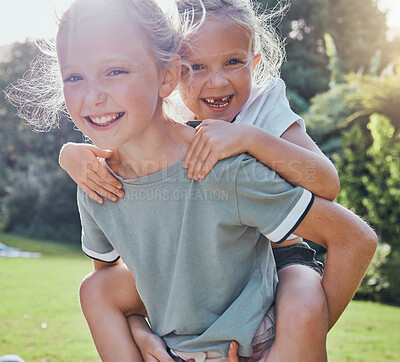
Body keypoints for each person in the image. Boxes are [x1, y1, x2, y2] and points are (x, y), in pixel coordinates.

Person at [7, 0, 377, 361]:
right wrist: (136, 328)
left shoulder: (244, 139)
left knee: (303, 301)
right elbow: (108, 281)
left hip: (279, 260)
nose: (94, 94)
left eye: (114, 71)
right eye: (74, 77)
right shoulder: (100, 174)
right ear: (178, 76)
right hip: (197, 306)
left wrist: (296, 341)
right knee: (94, 290)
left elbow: (329, 188)